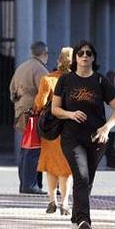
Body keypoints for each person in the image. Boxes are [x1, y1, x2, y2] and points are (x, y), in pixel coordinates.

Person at [52, 40, 115, 229]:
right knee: (81, 176)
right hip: (71, 137)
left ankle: (76, 219)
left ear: (93, 58)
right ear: (75, 57)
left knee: (86, 180)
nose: (85, 56)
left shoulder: (100, 81)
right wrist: (70, 114)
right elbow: (54, 109)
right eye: (81, 53)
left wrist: (107, 128)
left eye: (88, 53)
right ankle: (85, 220)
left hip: (96, 139)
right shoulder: (65, 80)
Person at [33, 47, 74, 215]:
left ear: (59, 61)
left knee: (50, 166)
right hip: (70, 129)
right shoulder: (77, 81)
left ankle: (52, 200)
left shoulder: (48, 79)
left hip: (51, 130)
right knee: (66, 168)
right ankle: (65, 203)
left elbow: (39, 103)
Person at [9, 41, 49, 194]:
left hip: (20, 111)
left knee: (25, 149)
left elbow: (12, 91)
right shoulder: (40, 69)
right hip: (34, 113)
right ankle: (30, 185)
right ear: (44, 54)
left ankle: (25, 184)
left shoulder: (21, 67)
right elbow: (45, 93)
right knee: (34, 150)